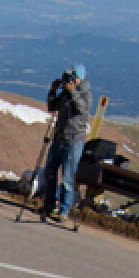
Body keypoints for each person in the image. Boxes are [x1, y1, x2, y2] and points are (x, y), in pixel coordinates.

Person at [40, 63, 92, 223]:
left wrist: (72, 92)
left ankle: (64, 210)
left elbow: (81, 109)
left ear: (78, 79)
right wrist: (53, 91)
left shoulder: (85, 94)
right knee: (50, 172)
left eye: (72, 78)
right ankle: (49, 204)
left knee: (67, 179)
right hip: (59, 138)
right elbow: (52, 107)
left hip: (73, 140)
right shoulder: (65, 93)